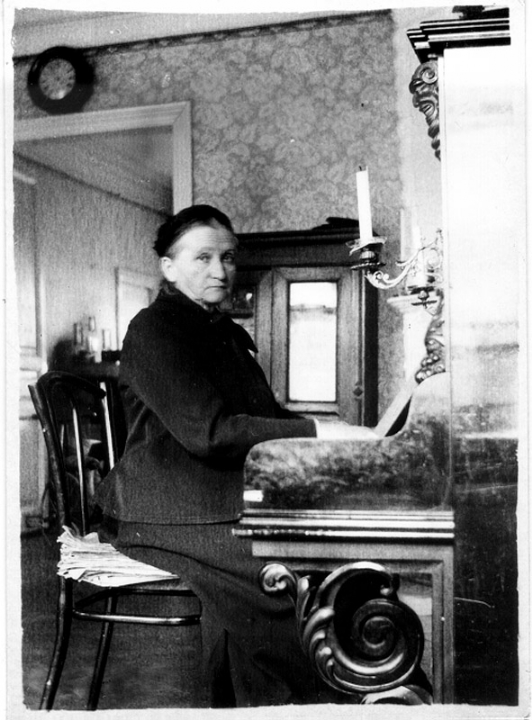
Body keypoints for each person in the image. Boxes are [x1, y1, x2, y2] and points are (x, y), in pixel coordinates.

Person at [95, 204, 430, 707]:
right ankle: (316, 699)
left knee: (336, 558)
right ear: (168, 266)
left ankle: (367, 684)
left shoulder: (222, 333)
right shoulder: (155, 329)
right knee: (286, 579)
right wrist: (319, 431)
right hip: (164, 508)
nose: (220, 269)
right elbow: (210, 433)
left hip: (217, 496)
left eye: (228, 257)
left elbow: (264, 416)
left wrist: (333, 437)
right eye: (203, 257)